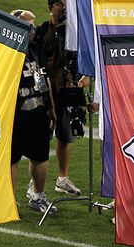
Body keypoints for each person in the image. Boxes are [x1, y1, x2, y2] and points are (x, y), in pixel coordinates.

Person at [9, 9, 57, 214]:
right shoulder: (7, 50)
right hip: (16, 112)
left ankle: (37, 197)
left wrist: (52, 108)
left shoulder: (36, 48)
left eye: (34, 25)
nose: (33, 29)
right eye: (29, 25)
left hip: (38, 110)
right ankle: (8, 201)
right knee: (11, 158)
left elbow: (44, 78)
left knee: (40, 157)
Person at [34, 0, 83, 196]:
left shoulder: (72, 31)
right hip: (46, 93)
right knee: (42, 137)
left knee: (65, 135)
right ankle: (34, 183)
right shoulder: (41, 30)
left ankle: (62, 178)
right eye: (60, 4)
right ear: (51, 7)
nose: (63, 8)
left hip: (65, 91)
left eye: (65, 4)